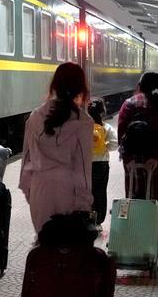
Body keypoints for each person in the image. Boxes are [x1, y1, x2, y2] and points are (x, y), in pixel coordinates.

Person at [19, 62, 93, 234]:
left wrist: (30, 191)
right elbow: (82, 169)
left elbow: (26, 160)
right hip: (68, 191)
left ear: (54, 85)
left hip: (40, 189)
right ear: (80, 88)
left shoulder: (35, 117)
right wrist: (84, 204)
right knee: (67, 246)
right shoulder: (84, 122)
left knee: (44, 243)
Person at [117, 72, 158, 212]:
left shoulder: (128, 104)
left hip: (132, 159)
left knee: (132, 195)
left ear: (140, 86)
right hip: (154, 160)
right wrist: (156, 157)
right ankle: (154, 224)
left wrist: (127, 158)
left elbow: (121, 133)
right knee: (154, 199)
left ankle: (132, 224)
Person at [88, 98, 118, 228]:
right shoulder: (106, 128)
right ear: (102, 112)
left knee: (86, 192)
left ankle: (87, 218)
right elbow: (114, 144)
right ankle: (98, 221)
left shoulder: (83, 128)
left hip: (85, 165)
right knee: (100, 192)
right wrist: (104, 147)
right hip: (101, 164)